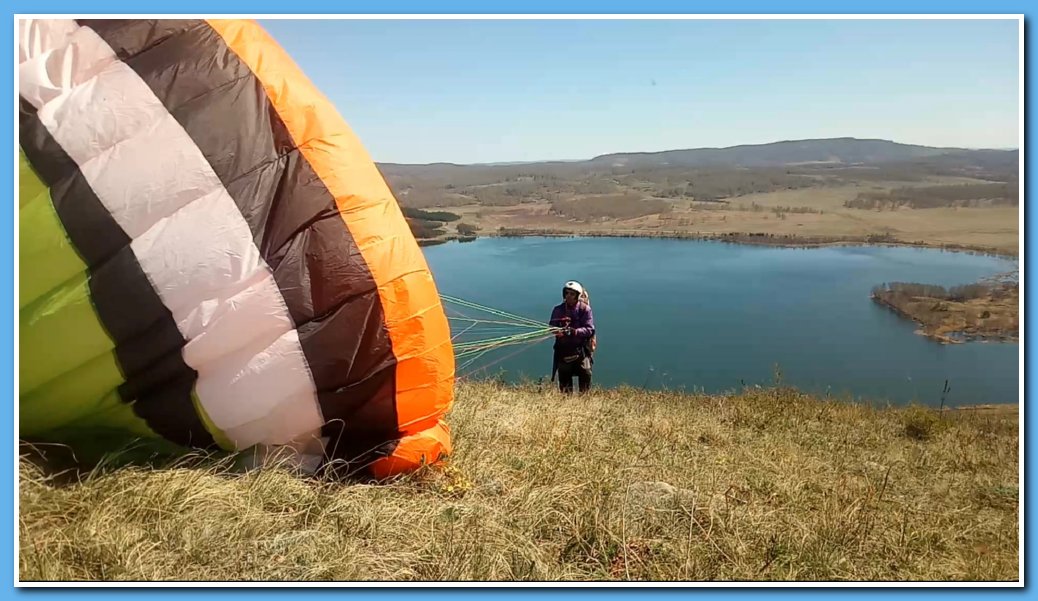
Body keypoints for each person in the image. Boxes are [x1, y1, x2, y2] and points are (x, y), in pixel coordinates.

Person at [549, 280, 595, 394]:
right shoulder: (558, 310)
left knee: (586, 376)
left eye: (572, 294)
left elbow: (589, 329)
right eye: (567, 293)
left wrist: (575, 332)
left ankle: (584, 405)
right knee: (565, 386)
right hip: (563, 352)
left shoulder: (585, 310)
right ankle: (566, 407)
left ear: (578, 296)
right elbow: (552, 326)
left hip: (581, 351)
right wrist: (558, 331)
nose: (568, 296)